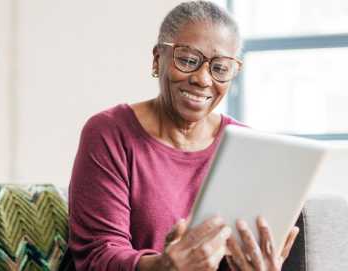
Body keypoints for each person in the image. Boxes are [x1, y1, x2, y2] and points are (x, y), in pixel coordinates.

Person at [68, 1, 299, 270]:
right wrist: (164, 266)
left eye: (220, 68)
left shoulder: (246, 146)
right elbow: (97, 255)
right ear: (157, 59)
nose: (202, 79)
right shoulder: (109, 132)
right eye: (188, 60)